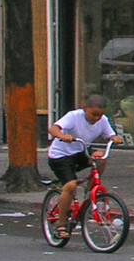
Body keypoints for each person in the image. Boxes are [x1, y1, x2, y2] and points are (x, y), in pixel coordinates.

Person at [47, 94, 121, 232]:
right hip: (61, 156)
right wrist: (62, 136)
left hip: (81, 152)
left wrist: (114, 138)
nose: (97, 119)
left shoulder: (103, 120)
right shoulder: (74, 116)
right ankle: (61, 224)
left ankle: (91, 187)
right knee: (70, 186)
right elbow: (53, 128)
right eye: (94, 114)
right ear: (84, 108)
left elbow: (110, 134)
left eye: (100, 115)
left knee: (100, 156)